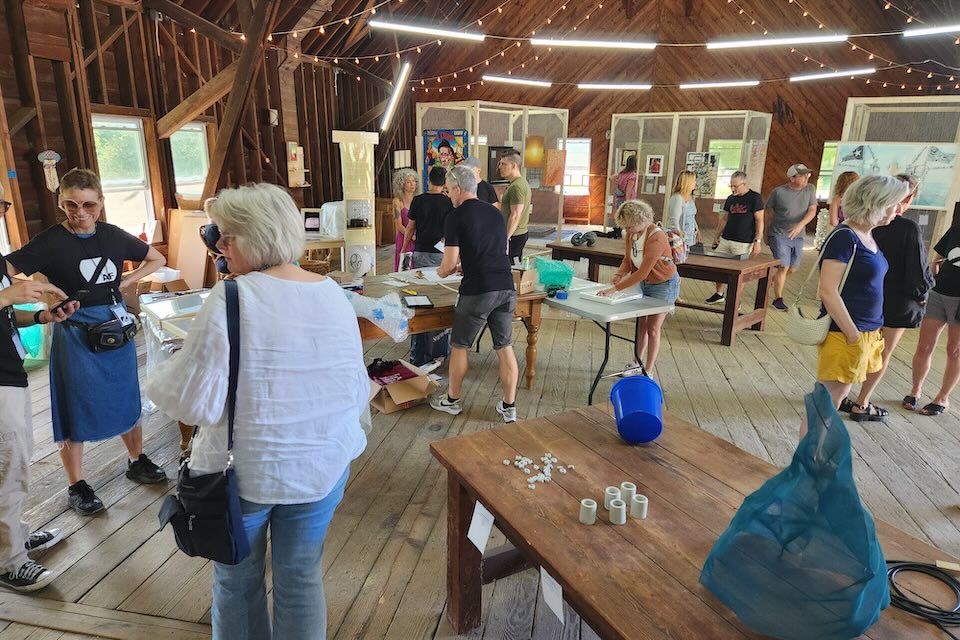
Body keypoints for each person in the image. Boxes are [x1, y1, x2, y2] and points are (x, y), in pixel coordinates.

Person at [146, 183, 368, 640]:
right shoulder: (332, 293)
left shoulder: (230, 299)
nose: (219, 249)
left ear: (253, 237)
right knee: (301, 578)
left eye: (223, 237)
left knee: (237, 580)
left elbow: (189, 400)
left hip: (245, 475)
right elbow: (351, 385)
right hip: (320, 465)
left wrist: (160, 367)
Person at [6, 169, 167, 516]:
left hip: (115, 326)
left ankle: (136, 459)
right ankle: (76, 484)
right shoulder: (49, 241)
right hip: (74, 330)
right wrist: (40, 291)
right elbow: (7, 268)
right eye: (71, 205)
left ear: (101, 203)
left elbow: (157, 258)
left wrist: (128, 281)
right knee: (73, 403)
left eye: (89, 205)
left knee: (127, 396)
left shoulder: (112, 235)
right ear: (61, 202)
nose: (80, 213)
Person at [0, 189, 77, 592]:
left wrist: (44, 315)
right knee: (8, 467)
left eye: (1, 205)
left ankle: (10, 536)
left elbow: (6, 313)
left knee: (16, 460)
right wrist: (6, 295)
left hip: (9, 371)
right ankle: (9, 561)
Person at [810, 175, 908, 430]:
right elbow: (828, 291)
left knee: (835, 398)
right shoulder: (845, 237)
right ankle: (808, 461)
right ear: (874, 203)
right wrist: (852, 333)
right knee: (827, 402)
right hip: (846, 333)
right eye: (893, 204)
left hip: (866, 331)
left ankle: (814, 458)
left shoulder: (868, 235)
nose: (897, 211)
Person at [430, 166, 519, 423]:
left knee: (460, 345)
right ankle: (509, 406)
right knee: (505, 347)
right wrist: (464, 264)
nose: (448, 196)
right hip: (505, 285)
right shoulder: (495, 213)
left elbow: (446, 266)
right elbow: (498, 250)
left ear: (458, 189)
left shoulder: (455, 216)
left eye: (448, 191)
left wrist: (443, 270)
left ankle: (452, 400)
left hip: (478, 290)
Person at [843, 174, 933, 420]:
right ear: (910, 198)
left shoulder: (863, 224)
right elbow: (917, 269)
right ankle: (862, 402)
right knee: (882, 353)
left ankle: (844, 394)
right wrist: (922, 294)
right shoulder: (908, 227)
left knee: (861, 348)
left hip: (867, 296)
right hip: (897, 299)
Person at [599, 200, 680, 375]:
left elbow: (643, 272)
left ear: (641, 221)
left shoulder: (656, 237)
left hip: (664, 284)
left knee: (653, 328)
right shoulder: (630, 234)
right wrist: (618, 275)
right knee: (641, 325)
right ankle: (637, 362)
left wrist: (615, 288)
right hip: (645, 283)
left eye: (630, 227)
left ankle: (648, 371)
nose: (627, 231)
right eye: (625, 227)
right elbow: (628, 260)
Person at [905, 222, 960, 417]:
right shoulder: (956, 229)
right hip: (938, 292)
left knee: (954, 350)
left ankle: (942, 398)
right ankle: (915, 390)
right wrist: (929, 282)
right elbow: (935, 260)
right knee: (924, 345)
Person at [403, 166, 454, 366]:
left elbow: (410, 227)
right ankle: (440, 347)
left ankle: (420, 346)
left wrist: (404, 249)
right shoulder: (449, 202)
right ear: (444, 183)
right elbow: (451, 231)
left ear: (429, 180)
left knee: (421, 300)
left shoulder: (418, 200)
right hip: (443, 254)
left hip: (421, 252)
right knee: (442, 298)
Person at [706, 171, 764, 304]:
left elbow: (759, 220)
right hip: (726, 239)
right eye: (730, 186)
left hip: (743, 242)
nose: (732, 189)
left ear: (744, 184)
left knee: (739, 273)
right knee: (718, 267)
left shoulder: (755, 198)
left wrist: (758, 241)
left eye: (735, 186)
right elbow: (724, 218)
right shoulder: (730, 198)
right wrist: (716, 235)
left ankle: (735, 301)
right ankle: (719, 293)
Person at [766, 164, 818, 311]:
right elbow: (768, 212)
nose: (806, 178)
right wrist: (765, 233)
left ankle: (773, 280)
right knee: (784, 265)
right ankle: (778, 299)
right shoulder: (778, 192)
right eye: (802, 175)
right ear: (792, 178)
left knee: (793, 268)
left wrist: (800, 225)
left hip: (798, 235)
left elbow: (812, 210)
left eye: (806, 175)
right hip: (779, 233)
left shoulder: (810, 189)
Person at [498, 149, 532, 262]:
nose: (500, 167)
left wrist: (506, 238)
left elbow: (515, 215)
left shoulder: (517, 186)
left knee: (511, 268)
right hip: (516, 234)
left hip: (514, 235)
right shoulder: (517, 183)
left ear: (513, 166)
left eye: (503, 164)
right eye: (500, 163)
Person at [391, 168, 418, 271]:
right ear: (402, 184)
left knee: (416, 268)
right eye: (408, 182)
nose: (412, 184)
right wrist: (411, 236)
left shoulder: (418, 199)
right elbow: (399, 226)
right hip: (404, 238)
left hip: (417, 237)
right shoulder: (397, 201)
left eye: (414, 181)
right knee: (405, 268)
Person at [666, 170, 698, 244]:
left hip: (690, 236)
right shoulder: (677, 198)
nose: (695, 183)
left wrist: (697, 230)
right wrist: (679, 234)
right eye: (694, 181)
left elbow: (691, 217)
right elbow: (674, 220)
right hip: (680, 238)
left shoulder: (690, 198)